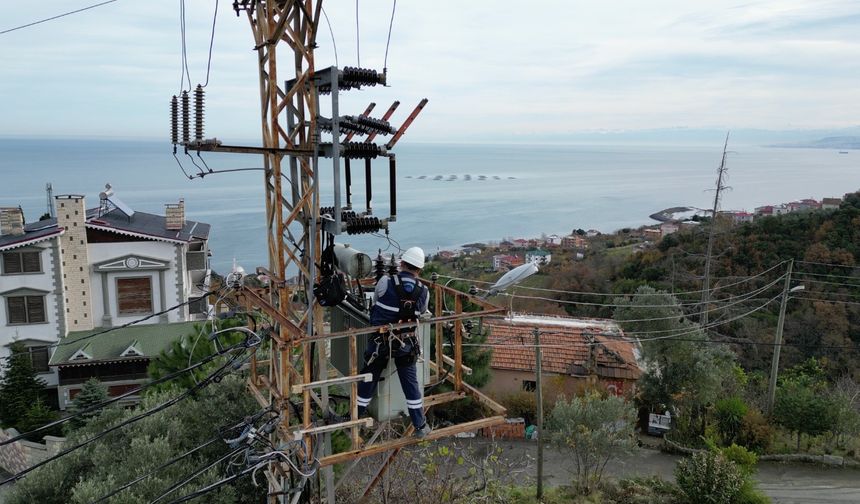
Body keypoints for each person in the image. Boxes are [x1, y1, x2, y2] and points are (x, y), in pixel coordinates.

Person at [356, 246, 432, 438]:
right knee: (411, 384)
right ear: (419, 269)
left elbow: (375, 303)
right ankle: (420, 425)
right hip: (406, 345)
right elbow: (422, 313)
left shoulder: (384, 281)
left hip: (380, 344)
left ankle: (356, 416)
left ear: (402, 264)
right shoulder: (424, 291)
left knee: (369, 376)